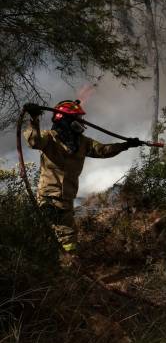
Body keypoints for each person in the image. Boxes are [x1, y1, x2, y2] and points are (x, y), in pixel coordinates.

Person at [22, 100, 143, 254]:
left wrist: (125, 145)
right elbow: (34, 141)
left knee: (58, 233)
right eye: (76, 118)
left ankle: (55, 261)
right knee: (65, 233)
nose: (81, 121)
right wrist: (34, 119)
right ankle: (68, 264)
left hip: (67, 197)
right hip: (49, 196)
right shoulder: (49, 138)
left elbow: (103, 150)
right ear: (64, 119)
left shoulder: (82, 142)